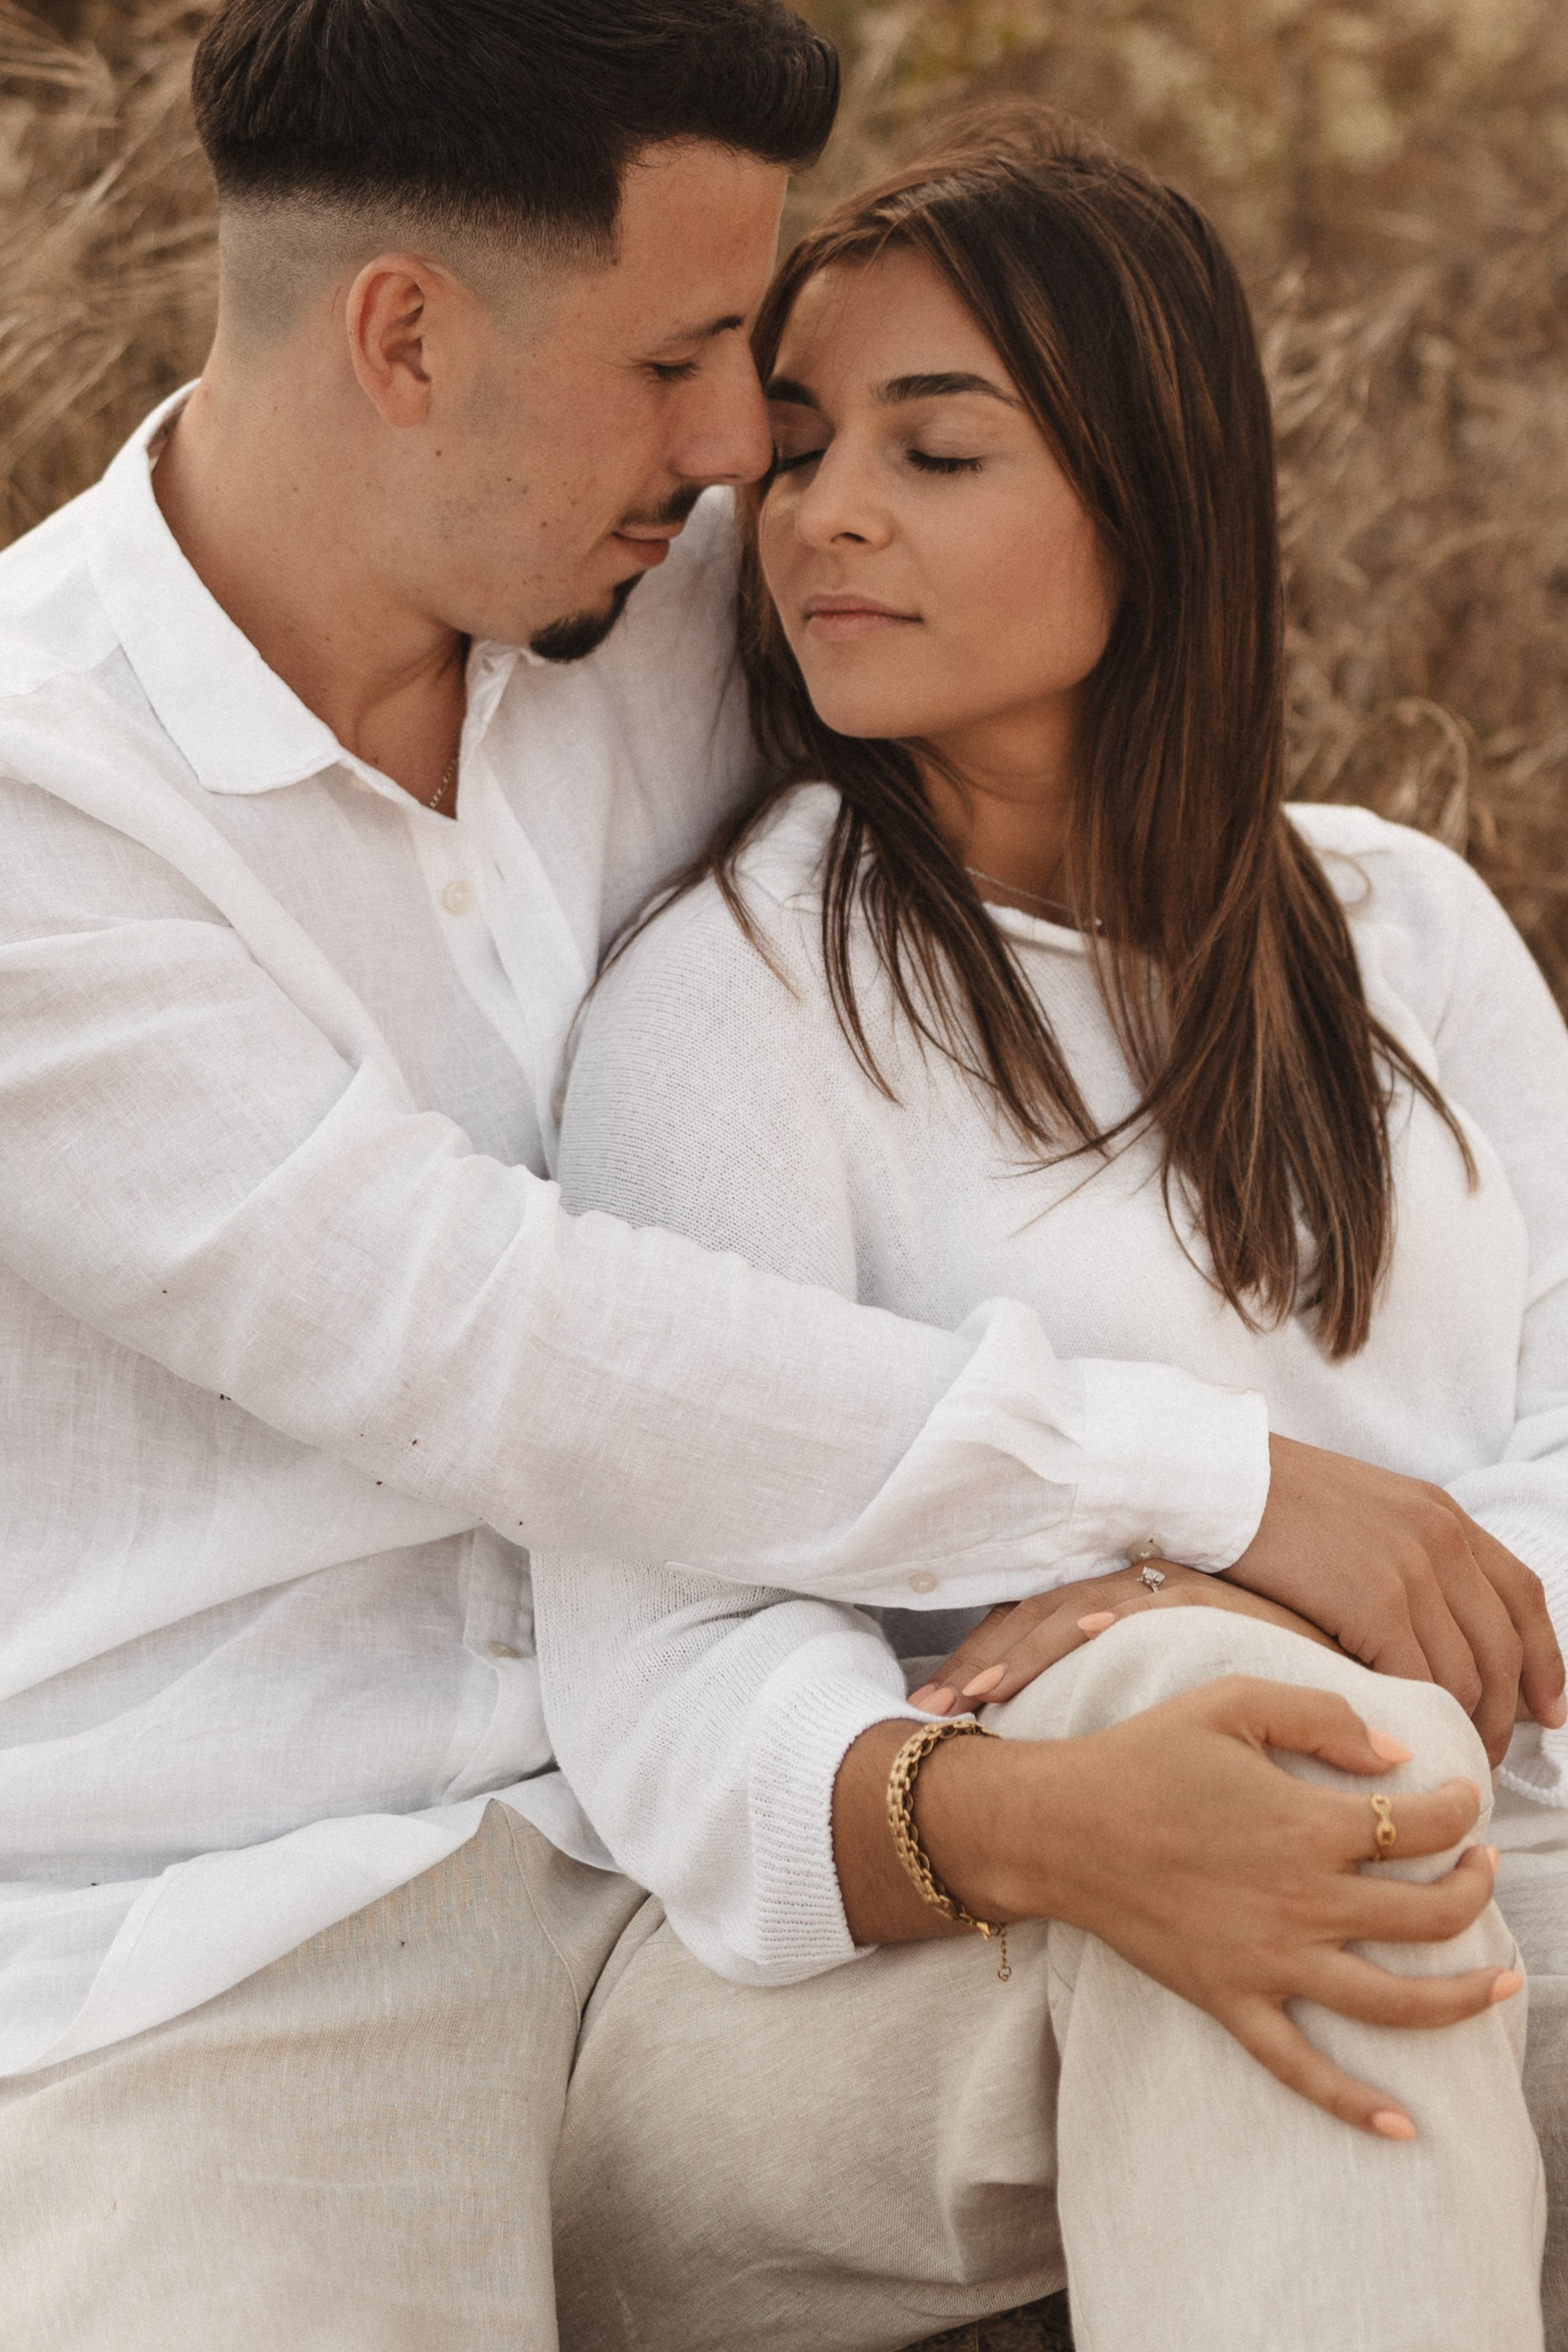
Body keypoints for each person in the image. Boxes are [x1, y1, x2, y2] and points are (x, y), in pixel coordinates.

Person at [533, 111, 1568, 2351]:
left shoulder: (1409, 934)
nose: (826, 516)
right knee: (1257, 1741)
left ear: (1155, 489)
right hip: (826, 2010)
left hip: (1466, 1849)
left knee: (1326, 1783)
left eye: (940, 449)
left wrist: (1291, 1598)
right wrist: (1123, 1734)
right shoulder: (735, 999)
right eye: (798, 449)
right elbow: (666, 1681)